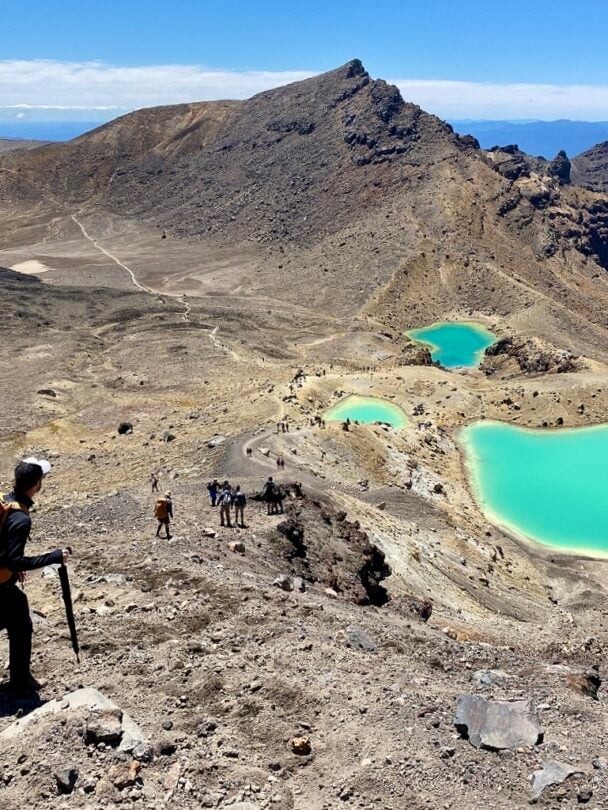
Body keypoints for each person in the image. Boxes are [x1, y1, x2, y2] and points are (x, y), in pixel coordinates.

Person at [0, 458, 70, 695]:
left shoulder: (4, 502)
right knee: (20, 621)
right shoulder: (21, 518)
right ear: (37, 484)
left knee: (17, 616)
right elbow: (14, 560)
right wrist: (55, 556)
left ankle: (20, 678)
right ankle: (20, 681)